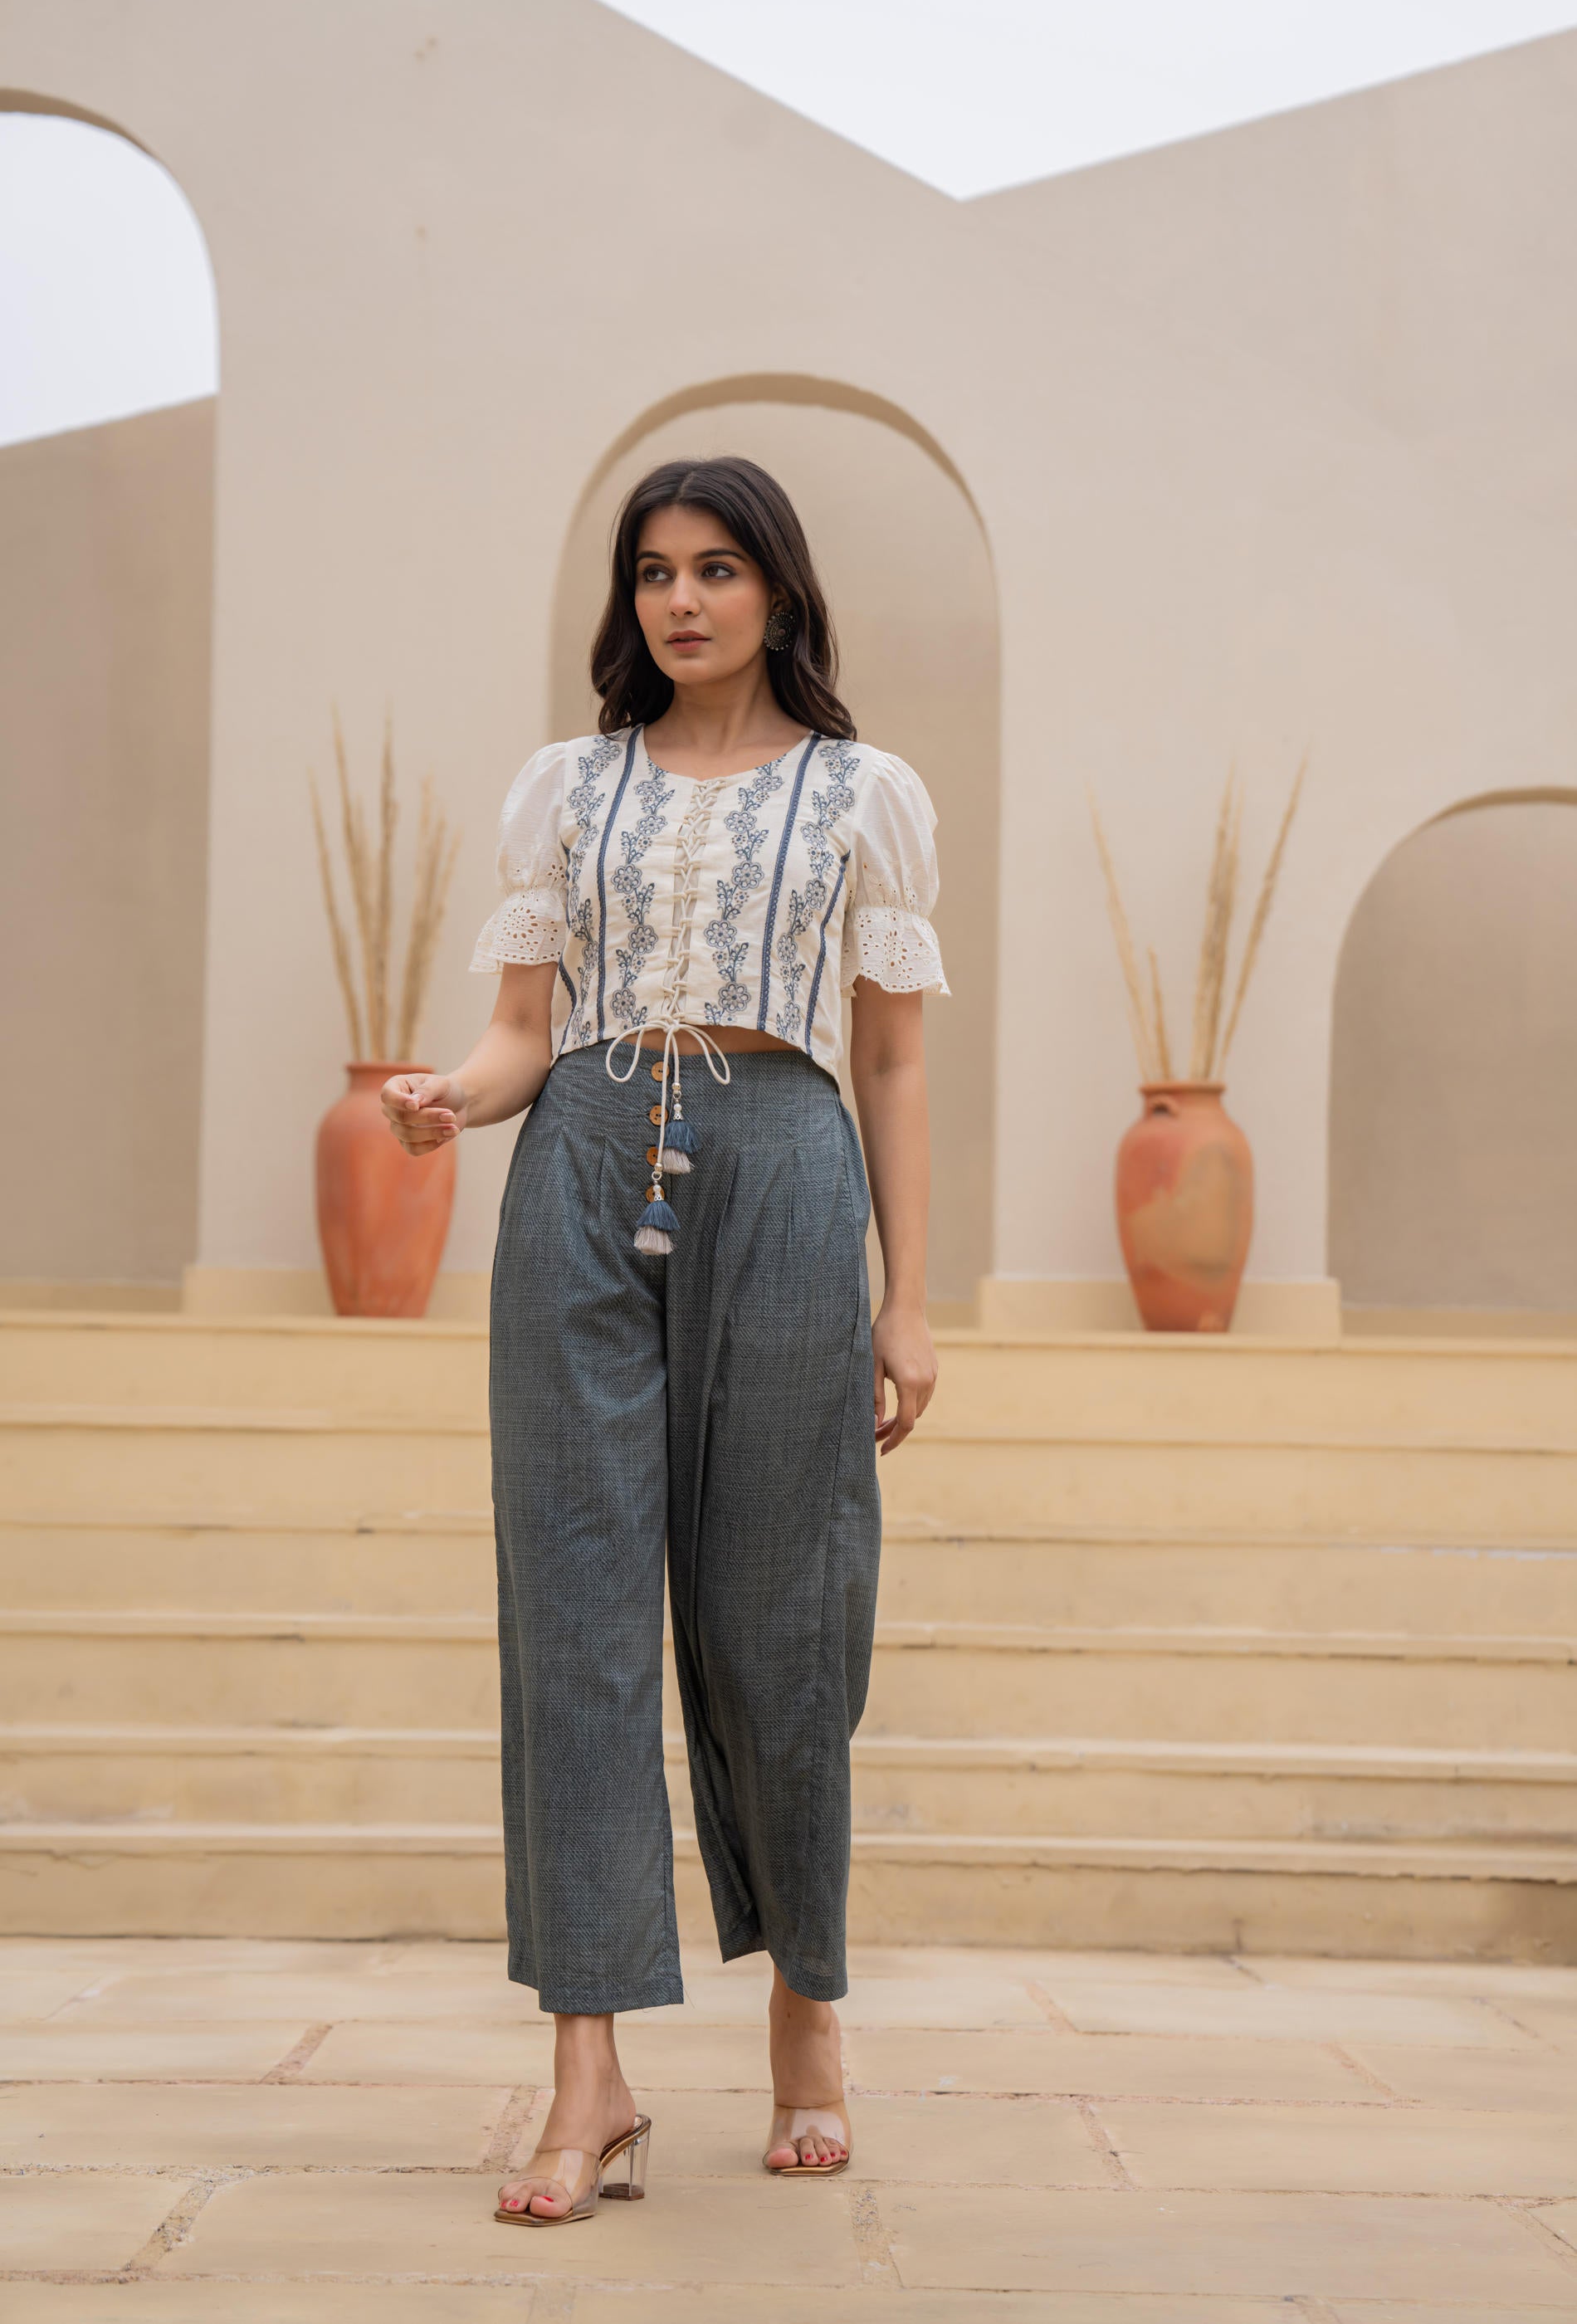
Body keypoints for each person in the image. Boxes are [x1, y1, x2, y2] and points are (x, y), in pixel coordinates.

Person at [383, 455, 947, 2224]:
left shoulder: (864, 794)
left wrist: (908, 1294)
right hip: (580, 1163)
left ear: (778, 589)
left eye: (715, 569)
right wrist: (447, 1099)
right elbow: (520, 1030)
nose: (681, 601)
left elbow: (893, 1059)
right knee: (570, 1618)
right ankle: (589, 2075)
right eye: (652, 573)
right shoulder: (568, 787)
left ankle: (805, 2004)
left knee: (784, 1618)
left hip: (785, 1165)